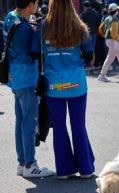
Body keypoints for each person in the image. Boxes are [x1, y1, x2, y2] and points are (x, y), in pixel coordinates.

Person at [31, 0, 95, 179]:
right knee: (78, 125)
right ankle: (86, 169)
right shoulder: (80, 27)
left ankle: (64, 170)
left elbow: (35, 53)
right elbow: (89, 55)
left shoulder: (43, 27)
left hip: (53, 85)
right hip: (76, 83)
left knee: (59, 126)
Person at [3, 0, 54, 178]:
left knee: (21, 120)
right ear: (31, 4)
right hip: (27, 77)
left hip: (14, 76)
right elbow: (32, 52)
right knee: (30, 122)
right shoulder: (25, 28)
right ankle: (31, 164)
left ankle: (22, 163)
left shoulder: (10, 17)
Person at [98, 3, 119, 82]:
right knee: (110, 58)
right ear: (116, 11)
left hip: (110, 40)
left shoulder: (107, 18)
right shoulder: (114, 19)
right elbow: (113, 33)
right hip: (113, 41)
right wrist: (117, 38)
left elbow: (101, 29)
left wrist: (105, 35)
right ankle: (102, 75)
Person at [80, 0, 101, 71]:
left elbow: (80, 23)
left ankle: (86, 65)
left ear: (85, 6)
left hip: (86, 33)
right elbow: (99, 23)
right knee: (93, 49)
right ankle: (92, 65)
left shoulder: (83, 14)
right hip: (94, 33)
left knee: (85, 49)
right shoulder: (96, 13)